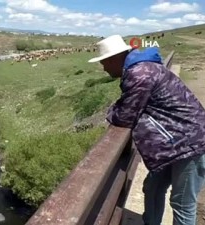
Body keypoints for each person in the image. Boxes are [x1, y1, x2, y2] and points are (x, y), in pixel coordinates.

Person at [88, 34, 205, 225]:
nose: (103, 67)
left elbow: (124, 116)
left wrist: (114, 110)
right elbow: (128, 106)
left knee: (182, 203)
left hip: (191, 143)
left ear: (114, 58)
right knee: (152, 188)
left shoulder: (139, 74)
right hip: (174, 141)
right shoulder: (141, 68)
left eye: (104, 62)